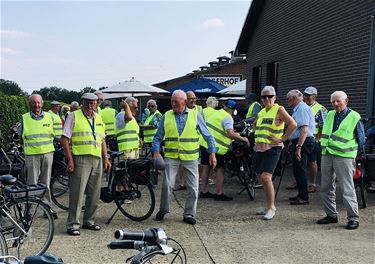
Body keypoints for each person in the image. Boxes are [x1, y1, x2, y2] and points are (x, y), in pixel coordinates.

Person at [152, 90, 217, 225]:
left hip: (190, 157)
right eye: (172, 101)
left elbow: (208, 135)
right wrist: (156, 151)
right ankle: (163, 210)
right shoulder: (166, 116)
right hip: (171, 156)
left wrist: (212, 152)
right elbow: (158, 137)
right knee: (167, 185)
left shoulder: (195, 115)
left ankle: (189, 214)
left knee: (193, 187)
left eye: (176, 101)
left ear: (184, 102)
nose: (173, 104)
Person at [61, 93, 111, 236]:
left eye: (93, 103)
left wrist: (106, 158)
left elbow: (102, 140)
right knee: (77, 193)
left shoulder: (99, 117)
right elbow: (64, 139)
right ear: (82, 103)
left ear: (97, 104)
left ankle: (89, 220)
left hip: (97, 159)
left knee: (95, 193)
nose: (91, 106)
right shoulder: (73, 116)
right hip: (80, 159)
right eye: (88, 103)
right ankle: (72, 224)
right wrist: (70, 160)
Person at [317, 91, 365, 230]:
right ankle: (331, 215)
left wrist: (355, 154)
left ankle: (353, 218)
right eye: (333, 102)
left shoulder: (354, 116)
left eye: (338, 101)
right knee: (326, 186)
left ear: (346, 101)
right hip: (327, 154)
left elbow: (361, 139)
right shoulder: (330, 114)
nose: (335, 104)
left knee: (347, 188)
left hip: (344, 157)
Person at [252, 86, 296, 220]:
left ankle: (271, 207)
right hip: (260, 147)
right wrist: (256, 132)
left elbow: (293, 124)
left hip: (273, 148)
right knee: (262, 177)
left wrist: (282, 138)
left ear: (275, 97)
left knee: (266, 177)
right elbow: (255, 124)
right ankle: (268, 206)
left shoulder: (279, 109)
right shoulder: (261, 111)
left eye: (269, 96)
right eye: (264, 97)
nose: (267, 99)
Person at [200, 99, 249, 201]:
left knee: (206, 167)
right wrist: (244, 139)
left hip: (205, 143)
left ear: (224, 106)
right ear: (234, 110)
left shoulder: (217, 113)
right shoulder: (228, 118)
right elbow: (230, 133)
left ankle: (203, 191)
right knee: (220, 169)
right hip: (217, 147)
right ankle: (218, 193)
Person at [19, 94, 57, 219]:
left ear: (42, 104)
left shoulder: (49, 117)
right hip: (32, 155)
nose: (37, 105)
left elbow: (54, 134)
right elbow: (20, 137)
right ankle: (28, 211)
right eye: (34, 103)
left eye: (38, 103)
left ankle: (48, 208)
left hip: (47, 154)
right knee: (32, 183)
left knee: (45, 182)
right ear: (30, 104)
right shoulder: (24, 118)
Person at [287, 89, 315, 205]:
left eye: (288, 98)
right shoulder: (299, 108)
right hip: (300, 141)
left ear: (294, 98)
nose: (287, 101)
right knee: (297, 169)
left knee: (300, 169)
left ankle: (303, 197)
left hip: (303, 142)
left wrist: (298, 146)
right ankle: (301, 194)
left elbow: (304, 130)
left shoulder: (302, 109)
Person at [173, 90, 202, 191]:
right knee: (181, 165)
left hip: (195, 143)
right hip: (180, 146)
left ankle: (194, 181)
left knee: (196, 163)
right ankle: (182, 183)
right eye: (191, 98)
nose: (193, 100)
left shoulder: (199, 110)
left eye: (194, 98)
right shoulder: (176, 110)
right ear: (185, 100)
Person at [303, 86, 327, 193]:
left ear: (315, 96)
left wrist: (317, 139)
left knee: (312, 161)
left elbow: (323, 126)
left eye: (309, 95)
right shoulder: (301, 106)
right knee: (300, 161)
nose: (307, 97)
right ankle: (300, 181)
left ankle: (312, 184)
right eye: (305, 95)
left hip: (313, 140)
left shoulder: (320, 109)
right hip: (302, 139)